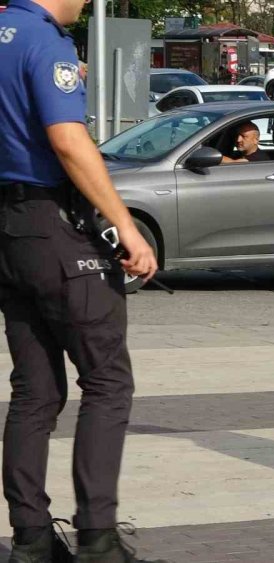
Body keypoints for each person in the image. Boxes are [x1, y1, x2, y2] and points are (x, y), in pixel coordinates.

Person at [0, 0, 162, 561]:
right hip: (55, 225)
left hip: (9, 232)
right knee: (108, 381)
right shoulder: (45, 42)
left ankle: (31, 539)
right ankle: (97, 537)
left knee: (35, 390)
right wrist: (126, 228)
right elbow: (70, 142)